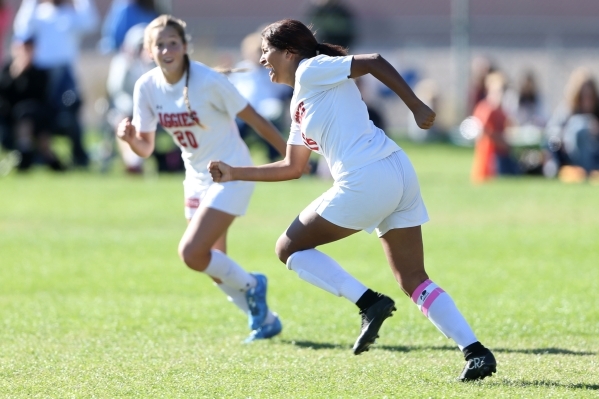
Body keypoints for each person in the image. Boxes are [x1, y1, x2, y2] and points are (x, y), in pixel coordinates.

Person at [208, 19, 497, 381]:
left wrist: (416, 105)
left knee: (288, 248)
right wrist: (235, 172)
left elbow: (373, 61)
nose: (263, 59)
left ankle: (369, 303)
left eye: (267, 52)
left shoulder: (311, 68)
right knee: (412, 278)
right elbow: (292, 166)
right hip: (397, 171)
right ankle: (476, 352)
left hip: (367, 178)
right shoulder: (301, 96)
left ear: (290, 52)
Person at [116, 15, 288, 342]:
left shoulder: (208, 81)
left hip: (231, 172)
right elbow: (145, 148)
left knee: (192, 253)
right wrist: (128, 139)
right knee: (212, 264)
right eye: (160, 44)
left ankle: (254, 284)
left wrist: (290, 155)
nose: (167, 49)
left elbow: (256, 119)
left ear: (184, 47)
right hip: (195, 178)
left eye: (173, 43)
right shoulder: (147, 87)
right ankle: (265, 320)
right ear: (148, 51)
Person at [13, 0, 99, 168]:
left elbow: (90, 21)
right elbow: (22, 27)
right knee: (36, 113)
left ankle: (78, 154)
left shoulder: (69, 14)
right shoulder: (39, 12)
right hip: (40, 75)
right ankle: (39, 154)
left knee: (70, 112)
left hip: (64, 76)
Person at [0, 37, 64, 171]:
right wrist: (15, 76)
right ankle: (44, 155)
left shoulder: (40, 72)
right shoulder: (8, 71)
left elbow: (40, 96)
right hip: (13, 116)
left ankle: (27, 151)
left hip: (37, 114)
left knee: (30, 113)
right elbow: (6, 96)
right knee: (24, 113)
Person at [229, 31, 293, 163]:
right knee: (236, 125)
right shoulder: (242, 69)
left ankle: (274, 155)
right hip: (244, 110)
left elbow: (285, 90)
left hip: (267, 111)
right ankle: (233, 156)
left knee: (271, 117)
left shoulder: (272, 71)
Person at [544, 67, 599, 181]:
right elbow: (551, 131)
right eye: (583, 96)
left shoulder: (597, 112)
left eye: (590, 96)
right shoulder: (567, 110)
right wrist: (563, 138)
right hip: (569, 153)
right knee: (579, 127)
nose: (586, 100)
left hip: (594, 153)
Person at [471, 72, 520, 183]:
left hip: (502, 153)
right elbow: (482, 131)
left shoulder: (501, 110)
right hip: (491, 155)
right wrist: (501, 140)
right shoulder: (486, 108)